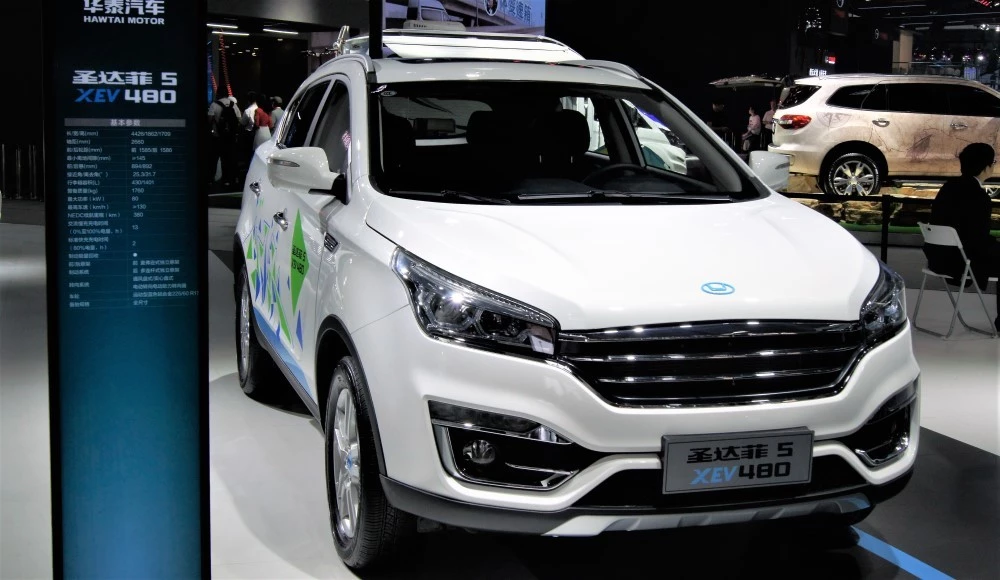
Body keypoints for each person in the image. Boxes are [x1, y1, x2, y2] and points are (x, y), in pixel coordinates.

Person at [925, 142, 1000, 329]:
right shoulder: (979, 197)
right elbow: (978, 239)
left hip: (936, 259)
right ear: (986, 167)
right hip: (960, 262)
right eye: (993, 163)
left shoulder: (948, 187)